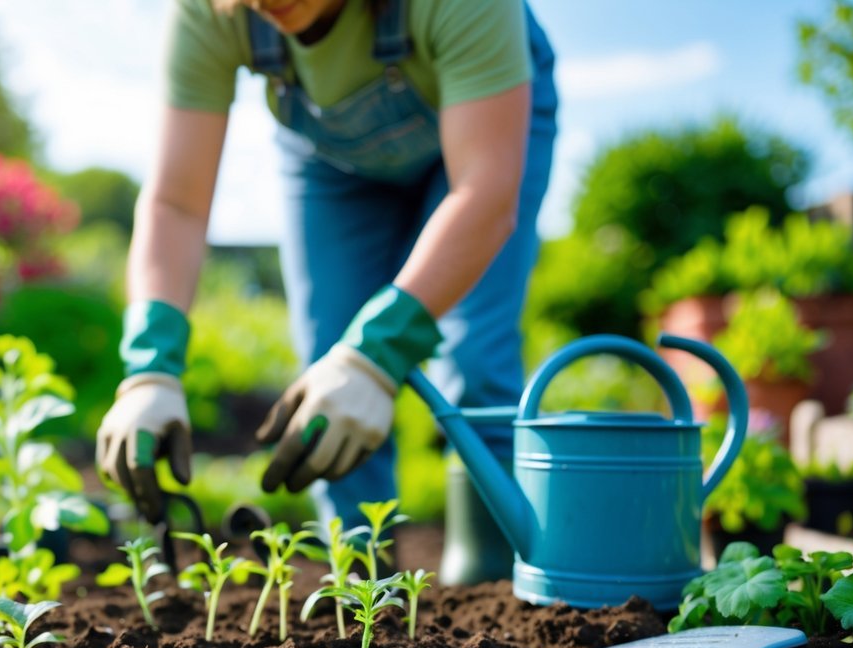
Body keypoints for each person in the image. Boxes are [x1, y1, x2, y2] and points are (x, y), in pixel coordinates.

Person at [97, 0, 557, 578]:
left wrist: (377, 359)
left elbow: (484, 193)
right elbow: (176, 204)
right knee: (329, 365)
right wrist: (150, 369)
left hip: (490, 131)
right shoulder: (210, 12)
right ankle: (361, 585)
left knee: (474, 358)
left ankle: (499, 574)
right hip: (333, 161)